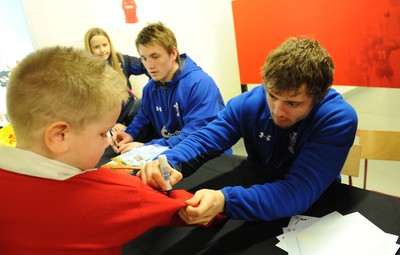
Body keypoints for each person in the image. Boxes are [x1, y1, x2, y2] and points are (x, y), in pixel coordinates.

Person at [0, 46, 224, 254]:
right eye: (102, 133)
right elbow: (195, 210)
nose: (107, 142)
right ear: (59, 136)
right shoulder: (110, 194)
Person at [139, 37, 358, 225]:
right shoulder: (250, 102)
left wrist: (225, 201)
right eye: (272, 95)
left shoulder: (337, 118)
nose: (277, 111)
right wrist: (169, 160)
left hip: (312, 209)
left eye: (292, 103)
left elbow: (299, 190)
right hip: (260, 193)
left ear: (318, 97)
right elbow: (206, 137)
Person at [111, 22, 227, 154]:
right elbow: (143, 118)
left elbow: (195, 136)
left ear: (173, 54)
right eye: (144, 58)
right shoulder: (150, 88)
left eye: (155, 57)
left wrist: (147, 147)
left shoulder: (199, 84)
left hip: (207, 156)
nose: (149, 65)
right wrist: (129, 134)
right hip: (173, 153)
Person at [84, 27, 149, 132]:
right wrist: (111, 124)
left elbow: (147, 65)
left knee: (148, 101)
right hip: (109, 121)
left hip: (130, 110)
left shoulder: (121, 59)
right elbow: (90, 107)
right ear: (90, 49)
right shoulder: (86, 72)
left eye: (105, 45)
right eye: (96, 47)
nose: (102, 50)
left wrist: (154, 87)